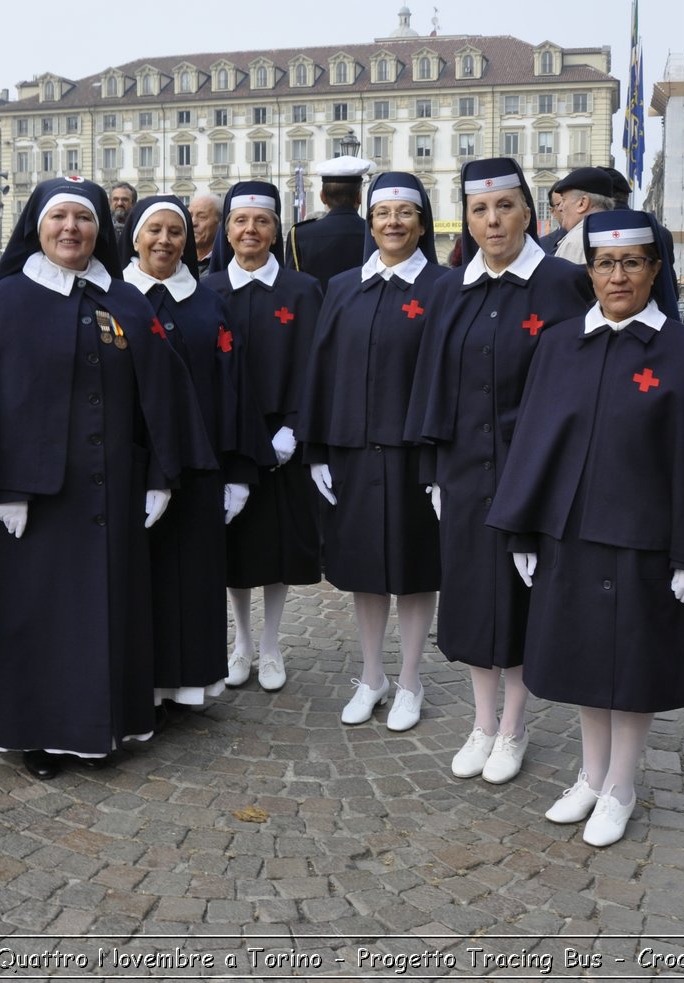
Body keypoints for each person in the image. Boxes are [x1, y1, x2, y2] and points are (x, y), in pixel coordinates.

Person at [487, 207, 684, 847]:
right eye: (604, 263)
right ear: (589, 270)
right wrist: (523, 531)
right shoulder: (560, 343)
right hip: (568, 534)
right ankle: (591, 777)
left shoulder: (683, 352)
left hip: (645, 537)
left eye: (632, 263)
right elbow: (533, 441)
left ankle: (621, 784)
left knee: (635, 665)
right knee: (583, 661)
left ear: (655, 269)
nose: (617, 276)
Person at [0, 176, 210, 781]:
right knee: (39, 615)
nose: (71, 228)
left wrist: (159, 475)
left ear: (102, 230)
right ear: (37, 227)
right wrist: (6, 485)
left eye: (84, 219)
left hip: (114, 489)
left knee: (105, 611)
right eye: (59, 217)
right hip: (37, 497)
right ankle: (39, 732)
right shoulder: (9, 299)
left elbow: (164, 392)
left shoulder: (122, 299)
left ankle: (104, 726)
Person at [405, 156, 593, 784]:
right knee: (469, 599)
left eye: (504, 207)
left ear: (527, 212)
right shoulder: (449, 288)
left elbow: (578, 390)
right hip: (462, 473)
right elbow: (431, 381)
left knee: (518, 601)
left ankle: (513, 727)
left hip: (531, 475)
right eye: (480, 210)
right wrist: (432, 469)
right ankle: (481, 722)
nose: (493, 221)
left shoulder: (562, 284)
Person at [299, 172, 447, 732]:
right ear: (370, 221)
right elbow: (320, 368)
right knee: (363, 570)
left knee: (413, 569)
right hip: (352, 452)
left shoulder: (442, 287)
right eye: (383, 213)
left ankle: (409, 679)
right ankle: (371, 675)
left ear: (421, 222)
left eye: (405, 213)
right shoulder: (341, 287)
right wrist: (315, 449)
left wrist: (440, 460)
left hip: (414, 456)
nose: (392, 223)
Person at [120, 196, 265, 709]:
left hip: (201, 469)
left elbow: (235, 386)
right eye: (154, 230)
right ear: (135, 237)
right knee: (143, 583)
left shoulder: (208, 302)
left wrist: (240, 470)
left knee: (194, 580)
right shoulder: (114, 298)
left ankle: (188, 686)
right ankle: (145, 690)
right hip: (132, 471)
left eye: (175, 232)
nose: (165, 240)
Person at [203, 182, 324, 693]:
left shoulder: (302, 290)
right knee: (234, 552)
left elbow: (315, 365)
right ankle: (242, 642)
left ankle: (271, 644)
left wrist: (294, 428)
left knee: (274, 550)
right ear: (227, 229)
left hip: (282, 442)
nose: (250, 231)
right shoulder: (206, 292)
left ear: (276, 231)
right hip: (228, 444)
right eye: (240, 221)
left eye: (262, 222)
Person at [286, 155, 373, 289]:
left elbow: (292, 285)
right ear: (359, 197)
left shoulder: (300, 234)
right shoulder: (374, 232)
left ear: (322, 197)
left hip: (316, 309)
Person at [548, 167, 617, 265]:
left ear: (582, 203)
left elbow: (565, 280)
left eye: (564, 200)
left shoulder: (575, 242)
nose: (560, 208)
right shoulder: (619, 233)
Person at [188, 192, 222, 269]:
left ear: (220, 222)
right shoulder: (175, 262)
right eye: (189, 216)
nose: (193, 223)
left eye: (201, 217)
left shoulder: (228, 265)